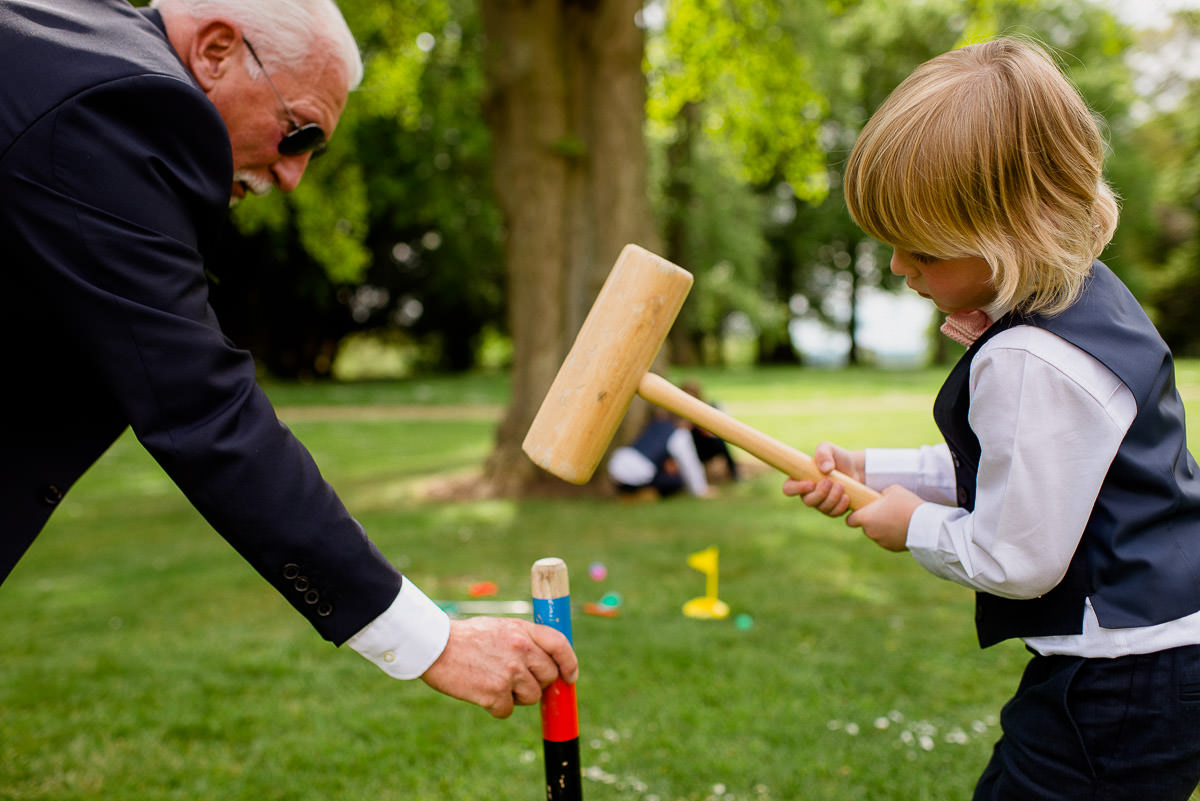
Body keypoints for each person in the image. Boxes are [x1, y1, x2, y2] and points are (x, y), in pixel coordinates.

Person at [0, 0, 576, 720]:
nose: (295, 174)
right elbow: (201, 406)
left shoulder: (68, 42)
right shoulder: (125, 108)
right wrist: (433, 641)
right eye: (298, 131)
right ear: (214, 50)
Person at [784, 38, 1200, 799]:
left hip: (1118, 684)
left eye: (924, 251)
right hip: (1156, 659)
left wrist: (908, 524)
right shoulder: (1087, 297)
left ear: (1013, 232)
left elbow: (1018, 554)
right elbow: (1032, 475)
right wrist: (877, 471)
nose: (900, 269)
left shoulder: (1030, 357)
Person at [607, 411, 712, 499]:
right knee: (677, 480)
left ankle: (629, 493)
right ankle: (643, 494)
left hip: (617, 464)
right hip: (639, 474)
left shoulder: (658, 422)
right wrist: (701, 490)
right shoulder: (679, 434)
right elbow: (689, 464)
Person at [682, 380, 739, 482]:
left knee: (720, 443)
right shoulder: (679, 411)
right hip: (693, 445)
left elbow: (714, 431)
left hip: (707, 444)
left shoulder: (708, 406)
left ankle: (734, 471)